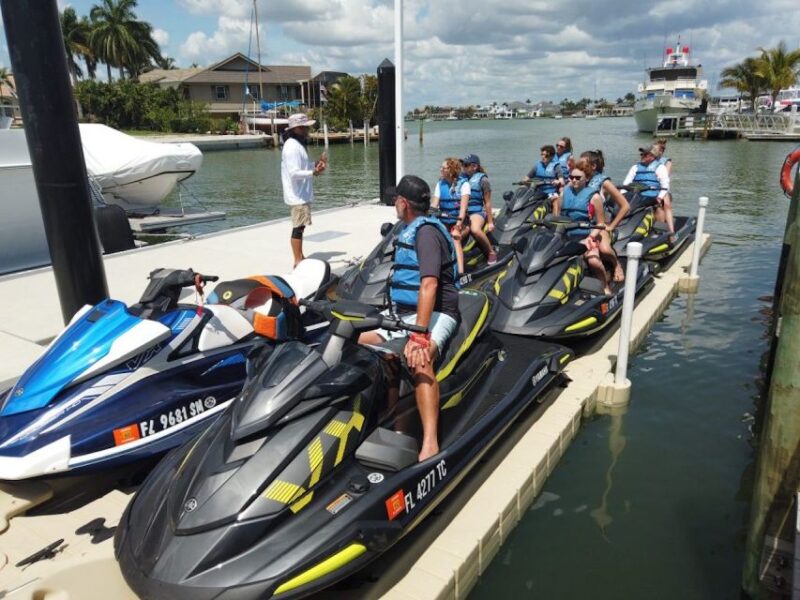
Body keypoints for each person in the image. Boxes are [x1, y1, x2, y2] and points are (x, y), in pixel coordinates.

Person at [359, 175, 460, 461]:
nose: (394, 204)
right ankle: (385, 416)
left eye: (395, 200)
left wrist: (419, 334)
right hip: (400, 314)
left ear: (404, 203)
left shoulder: (426, 233)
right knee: (352, 341)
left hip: (438, 312)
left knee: (420, 360)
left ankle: (430, 442)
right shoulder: (408, 228)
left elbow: (429, 284)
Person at [553, 159, 616, 294]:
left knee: (593, 260)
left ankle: (605, 286)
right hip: (565, 236)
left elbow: (600, 223)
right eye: (571, 177)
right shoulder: (564, 193)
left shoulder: (594, 197)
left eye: (577, 178)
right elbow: (557, 216)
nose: (574, 180)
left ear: (586, 178)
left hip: (586, 235)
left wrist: (590, 237)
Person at [281, 113, 327, 266]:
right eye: (305, 127)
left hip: (301, 194)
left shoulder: (297, 145)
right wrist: (313, 172)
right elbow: (294, 173)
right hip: (297, 196)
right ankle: (297, 260)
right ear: (297, 129)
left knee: (300, 227)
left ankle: (300, 256)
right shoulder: (292, 147)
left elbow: (303, 167)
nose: (308, 130)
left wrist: (316, 165)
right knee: (298, 228)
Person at [579, 150, 629, 283]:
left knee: (605, 250)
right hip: (581, 224)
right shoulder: (578, 180)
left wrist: (611, 226)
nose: (579, 166)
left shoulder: (603, 182)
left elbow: (625, 205)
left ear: (593, 166)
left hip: (600, 225)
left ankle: (616, 264)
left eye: (582, 163)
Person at [622, 144, 673, 239]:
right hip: (636, 195)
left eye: (645, 155)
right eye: (641, 154)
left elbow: (665, 185)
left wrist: (660, 197)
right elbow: (626, 183)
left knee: (658, 207)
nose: (642, 156)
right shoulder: (635, 167)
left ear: (652, 156)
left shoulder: (660, 167)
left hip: (652, 195)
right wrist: (621, 195)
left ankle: (660, 232)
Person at [431, 157, 470, 275]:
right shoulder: (440, 184)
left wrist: (458, 226)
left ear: (452, 170)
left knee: (455, 237)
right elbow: (434, 206)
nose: (441, 170)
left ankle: (460, 272)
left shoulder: (464, 185)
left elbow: (463, 210)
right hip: (443, 222)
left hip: (461, 222)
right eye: (441, 167)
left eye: (444, 168)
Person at [460, 154, 497, 264]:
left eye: (466, 165)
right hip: (462, 212)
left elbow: (488, 202)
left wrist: (490, 222)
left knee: (475, 229)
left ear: (474, 166)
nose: (463, 167)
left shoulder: (483, 180)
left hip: (476, 212)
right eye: (463, 165)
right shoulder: (460, 178)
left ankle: (491, 252)